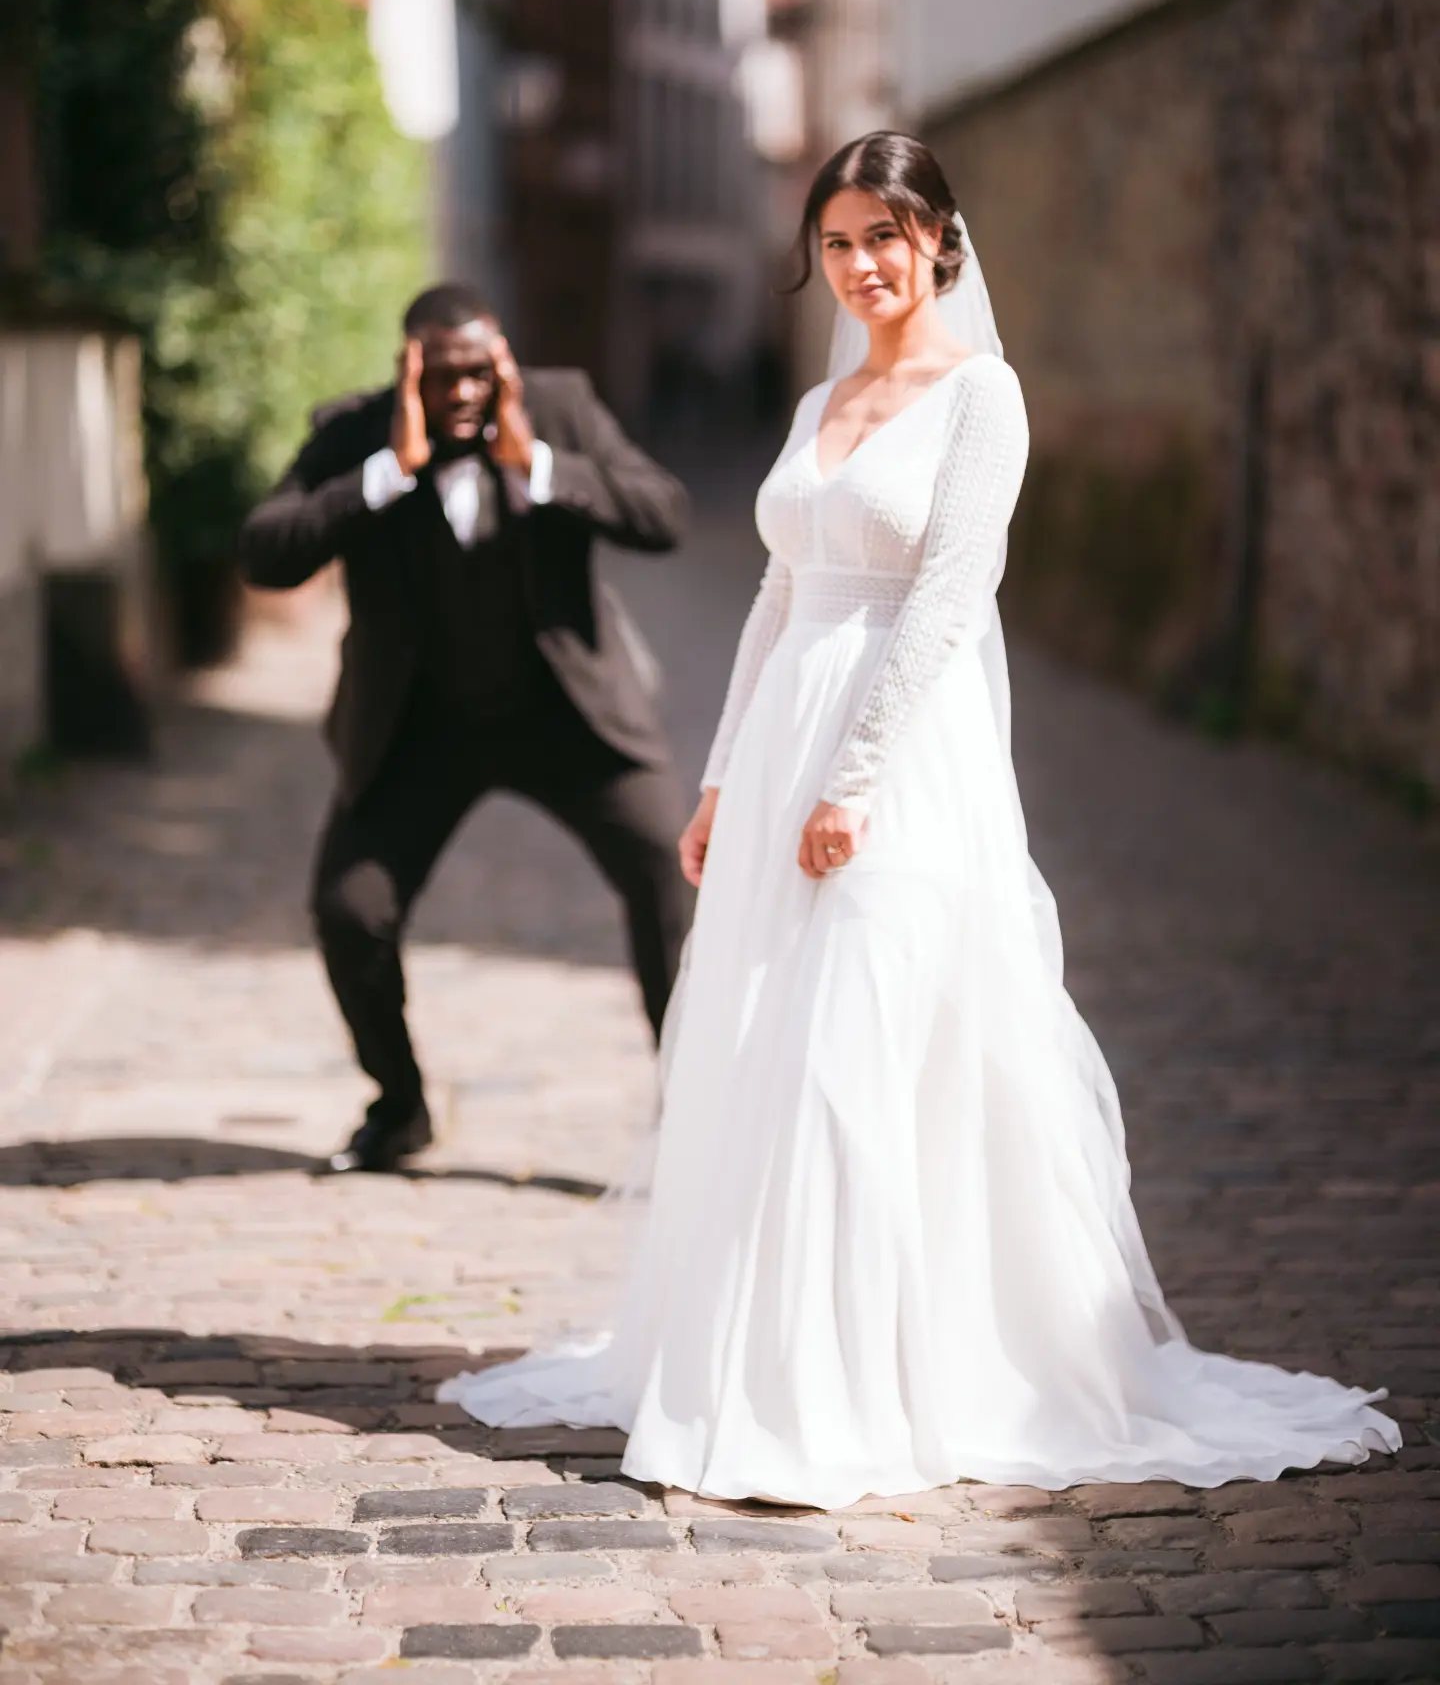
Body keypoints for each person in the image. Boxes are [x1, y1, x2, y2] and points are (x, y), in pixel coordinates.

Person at [439, 134, 1399, 1507]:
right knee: (766, 1036)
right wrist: (722, 778)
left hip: (898, 757)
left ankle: (877, 1377)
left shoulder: (981, 396)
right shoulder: (822, 398)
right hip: (781, 745)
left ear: (939, 238)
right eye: (836, 243)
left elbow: (951, 595)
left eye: (885, 236)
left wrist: (856, 780)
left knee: (870, 1042)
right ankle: (759, 1355)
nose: (862, 265)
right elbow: (778, 596)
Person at [240, 285, 692, 1174]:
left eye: (479, 372)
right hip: (418, 730)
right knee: (349, 911)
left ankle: (691, 1114)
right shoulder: (359, 432)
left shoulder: (560, 406)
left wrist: (546, 465)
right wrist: (384, 473)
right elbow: (266, 548)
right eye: (441, 375)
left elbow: (664, 514)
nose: (463, 393)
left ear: (506, 363)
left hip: (567, 716)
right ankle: (400, 1107)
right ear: (409, 369)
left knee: (664, 874)